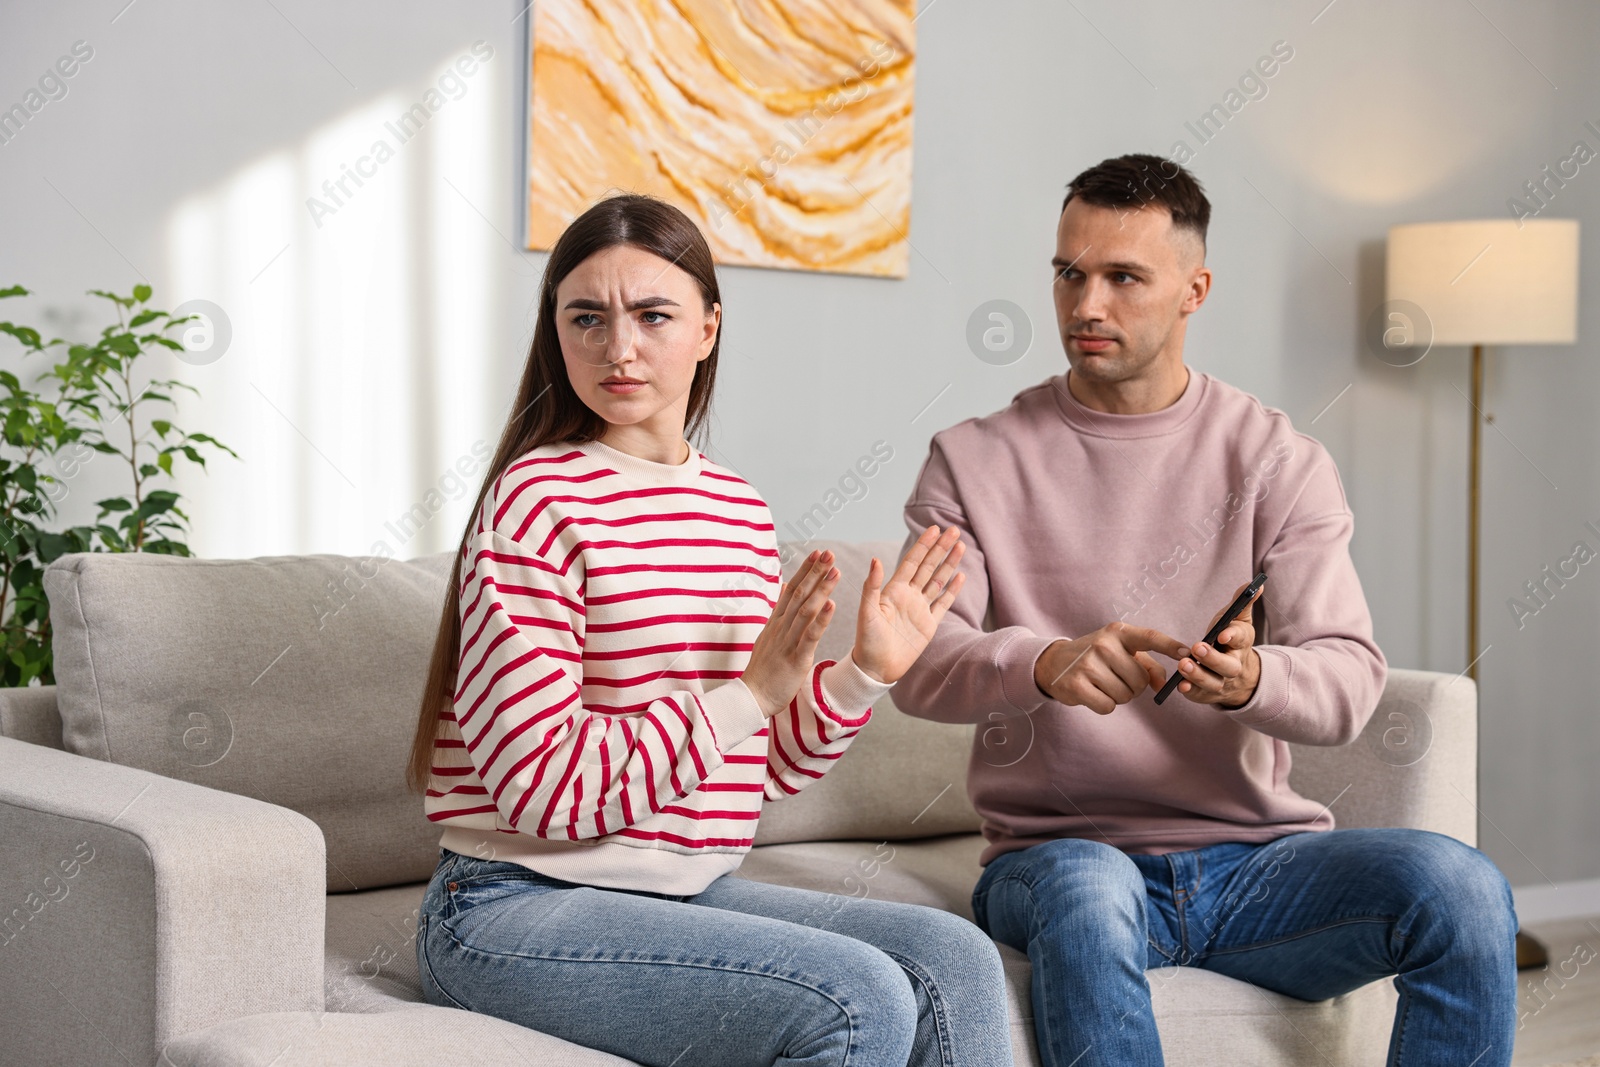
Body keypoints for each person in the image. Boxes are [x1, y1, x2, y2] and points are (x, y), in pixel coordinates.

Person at [891, 154, 1517, 1067]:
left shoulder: (1277, 460)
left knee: (1459, 887)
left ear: (1194, 289)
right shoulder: (972, 460)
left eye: (1122, 278)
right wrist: (1041, 662)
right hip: (1060, 859)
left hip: (1257, 866)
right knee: (1090, 885)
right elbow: (918, 661)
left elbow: (1347, 677)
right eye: (1069, 274)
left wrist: (1257, 679)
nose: (1085, 305)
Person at [405, 193, 1013, 1067]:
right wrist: (749, 693)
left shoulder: (737, 512)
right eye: (588, 318)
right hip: (507, 903)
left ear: (708, 327)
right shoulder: (534, 502)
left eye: (654, 315)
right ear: (557, 333)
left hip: (681, 893)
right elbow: (540, 790)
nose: (619, 347)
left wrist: (861, 675)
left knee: (953, 957)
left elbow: (754, 768)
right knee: (858, 999)